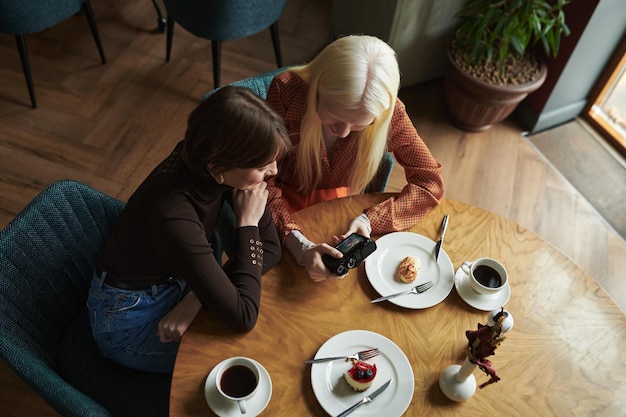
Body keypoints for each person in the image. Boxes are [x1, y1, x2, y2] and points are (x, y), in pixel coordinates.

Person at [87, 86, 292, 373]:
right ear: (217, 165)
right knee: (254, 353)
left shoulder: (212, 164)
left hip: (182, 278)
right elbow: (243, 317)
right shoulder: (174, 213)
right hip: (130, 316)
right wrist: (246, 223)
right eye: (262, 164)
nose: (273, 171)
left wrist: (199, 298)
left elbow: (271, 248)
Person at [265, 35, 444, 282]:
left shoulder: (390, 115)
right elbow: (259, 180)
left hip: (341, 206)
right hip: (280, 204)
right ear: (317, 87)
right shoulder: (285, 92)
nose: (343, 132)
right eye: (335, 118)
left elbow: (429, 182)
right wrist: (300, 246)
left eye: (361, 123)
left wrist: (369, 220)